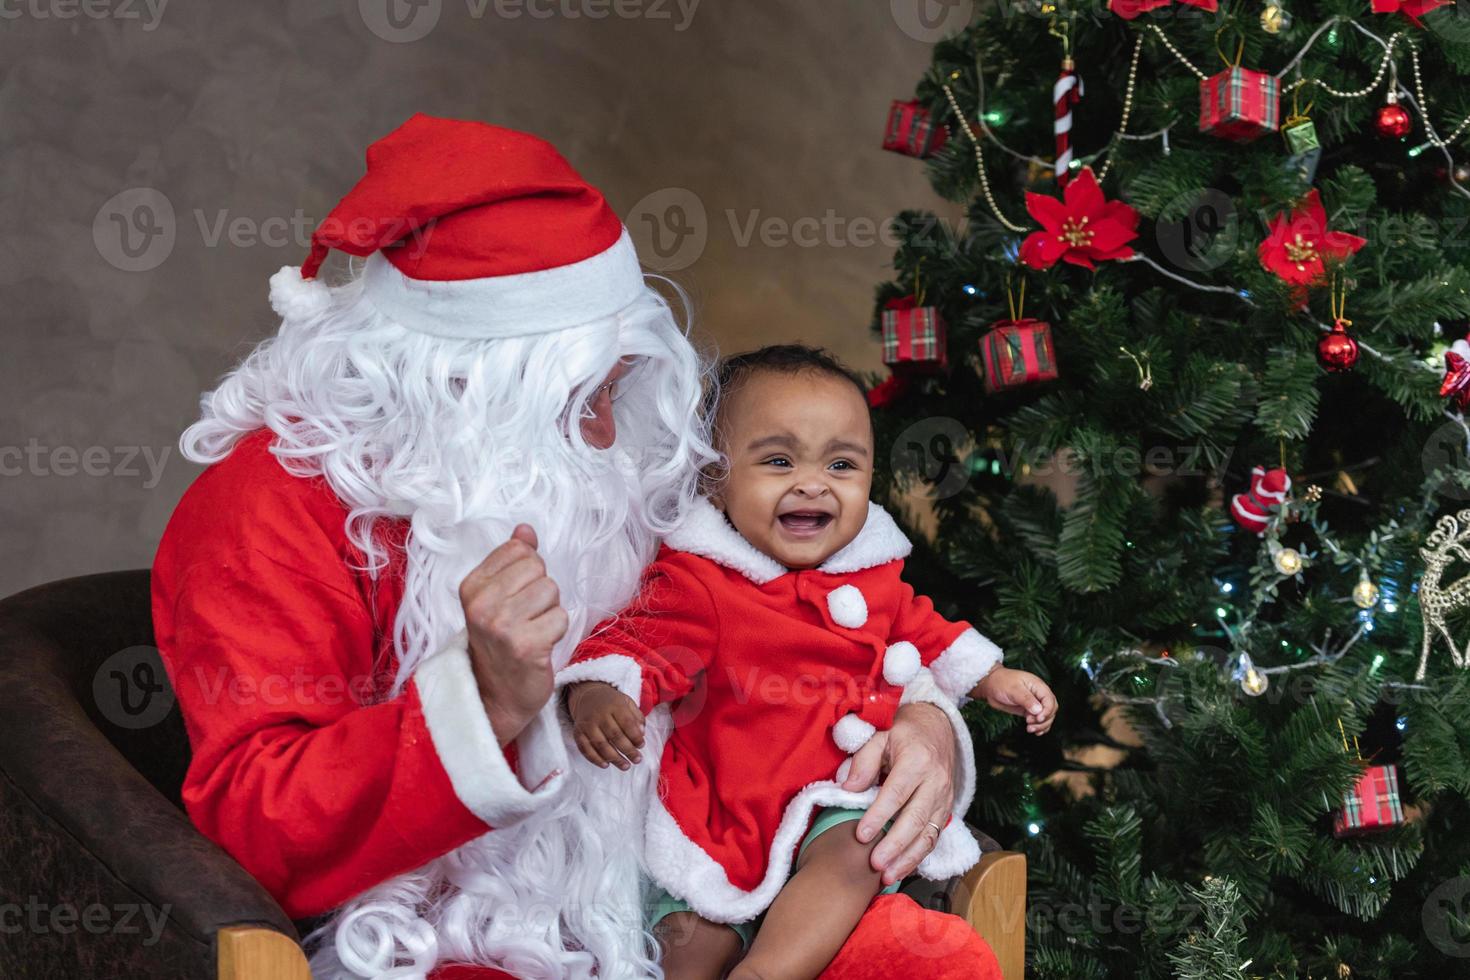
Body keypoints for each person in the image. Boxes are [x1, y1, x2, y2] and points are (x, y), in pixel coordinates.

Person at [150, 114, 1002, 979]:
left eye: (618, 389)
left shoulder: (626, 458)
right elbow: (258, 825)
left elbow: (794, 617)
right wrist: (485, 703)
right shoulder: (272, 502)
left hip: (687, 896)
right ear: (460, 383)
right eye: (572, 399)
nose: (606, 435)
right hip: (433, 938)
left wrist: (925, 721)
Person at [562, 345, 1057, 978]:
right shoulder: (704, 582)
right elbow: (638, 643)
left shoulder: (874, 573)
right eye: (777, 460)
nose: (813, 482)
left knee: (861, 851)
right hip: (725, 813)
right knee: (688, 939)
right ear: (715, 476)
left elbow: (929, 634)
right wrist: (600, 691)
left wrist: (994, 678)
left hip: (832, 795)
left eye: (842, 463)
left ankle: (768, 971)